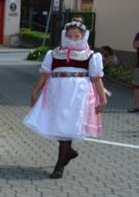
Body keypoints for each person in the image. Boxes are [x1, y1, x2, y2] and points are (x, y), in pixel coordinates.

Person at [24, 20, 107, 179]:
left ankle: (59, 166)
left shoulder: (91, 55)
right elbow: (44, 74)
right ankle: (68, 152)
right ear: (64, 35)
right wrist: (35, 92)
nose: (72, 39)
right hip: (56, 93)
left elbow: (97, 78)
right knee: (58, 125)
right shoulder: (54, 53)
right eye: (69, 36)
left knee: (68, 127)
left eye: (76, 36)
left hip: (78, 94)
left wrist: (102, 99)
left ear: (83, 36)